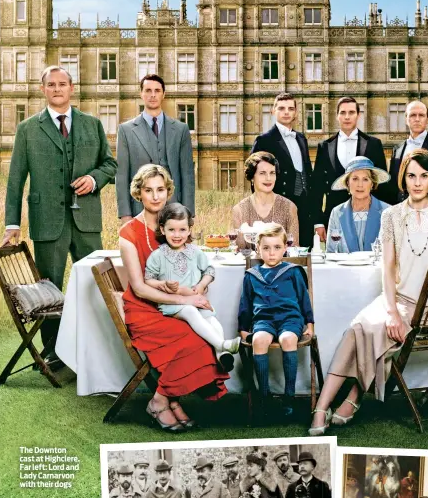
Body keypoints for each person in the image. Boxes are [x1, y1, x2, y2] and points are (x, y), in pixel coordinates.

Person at [309, 149, 428, 435]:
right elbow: (387, 268)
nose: (417, 182)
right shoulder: (392, 216)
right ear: (403, 179)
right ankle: (323, 406)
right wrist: (392, 310)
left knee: (373, 332)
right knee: (357, 328)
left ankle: (352, 399)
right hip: (401, 300)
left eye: (424, 175)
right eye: (411, 176)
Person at [2, 65, 117, 368]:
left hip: (87, 220)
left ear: (71, 87)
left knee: (97, 283)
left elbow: (109, 165)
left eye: (62, 84)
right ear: (43, 89)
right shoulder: (28, 128)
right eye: (51, 84)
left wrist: (94, 179)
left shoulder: (92, 124)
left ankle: (98, 345)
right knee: (49, 287)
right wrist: (12, 223)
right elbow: (15, 180)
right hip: (46, 221)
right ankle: (54, 353)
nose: (57, 89)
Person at [119, 164, 229, 432]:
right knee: (195, 341)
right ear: (139, 194)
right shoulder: (128, 234)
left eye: (160, 190)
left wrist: (197, 289)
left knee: (202, 334)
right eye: (148, 191)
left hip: (173, 305)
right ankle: (160, 401)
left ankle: (169, 398)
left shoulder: (175, 225)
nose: (155, 197)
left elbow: (193, 269)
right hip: (145, 308)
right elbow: (140, 288)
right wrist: (185, 301)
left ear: (168, 192)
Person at [144, 202, 241, 371]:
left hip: (195, 299)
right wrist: (162, 284)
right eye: (171, 229)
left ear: (189, 230)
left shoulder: (195, 252)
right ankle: (222, 344)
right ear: (162, 229)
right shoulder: (158, 255)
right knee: (189, 311)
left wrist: (202, 285)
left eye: (182, 230)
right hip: (172, 304)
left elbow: (210, 270)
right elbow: (148, 279)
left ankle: (221, 354)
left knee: (211, 318)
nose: (177, 235)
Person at [238, 223, 314, 418]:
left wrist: (310, 324)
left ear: (285, 248)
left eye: (277, 247)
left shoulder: (293, 271)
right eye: (266, 248)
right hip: (264, 320)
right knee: (258, 340)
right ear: (258, 249)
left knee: (288, 339)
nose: (271, 253)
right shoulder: (252, 275)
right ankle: (263, 397)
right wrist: (243, 329)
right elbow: (245, 304)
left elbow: (304, 299)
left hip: (290, 319)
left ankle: (288, 397)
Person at [116, 73, 195, 223]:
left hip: (175, 209)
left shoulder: (181, 129)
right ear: (141, 94)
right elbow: (121, 175)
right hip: (139, 209)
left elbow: (187, 175)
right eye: (148, 90)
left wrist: (189, 212)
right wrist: (125, 214)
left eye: (157, 91)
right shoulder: (125, 130)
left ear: (164, 94)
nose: (152, 95)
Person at [311, 96, 388, 240]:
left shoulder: (374, 144)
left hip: (369, 213)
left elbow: (382, 186)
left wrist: (383, 216)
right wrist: (318, 221)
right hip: (334, 216)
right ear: (337, 115)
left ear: (358, 115)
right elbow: (317, 187)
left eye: (351, 112)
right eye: (343, 112)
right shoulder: (325, 146)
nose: (347, 117)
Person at [251, 93, 313, 247]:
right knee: (277, 251)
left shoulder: (301, 138)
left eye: (291, 108)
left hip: (304, 207)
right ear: (273, 111)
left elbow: (306, 173)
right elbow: (254, 177)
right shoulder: (264, 140)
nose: (286, 112)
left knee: (303, 252)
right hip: (277, 206)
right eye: (282, 108)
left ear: (296, 112)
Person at [386, 100, 428, 205]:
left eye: (421, 115)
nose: (417, 119)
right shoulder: (398, 149)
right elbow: (393, 186)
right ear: (406, 119)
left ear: (427, 120)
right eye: (413, 115)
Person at [232, 152, 299, 250]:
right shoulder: (239, 210)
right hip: (249, 265)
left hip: (282, 265)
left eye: (272, 173)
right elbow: (237, 250)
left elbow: (294, 248)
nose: (268, 178)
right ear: (252, 177)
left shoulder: (289, 207)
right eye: (262, 173)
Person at [325, 157, 390, 253]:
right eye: (355, 179)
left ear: (372, 183)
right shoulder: (336, 212)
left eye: (365, 179)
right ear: (348, 183)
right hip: (345, 267)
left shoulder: (387, 211)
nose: (360, 185)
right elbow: (330, 252)